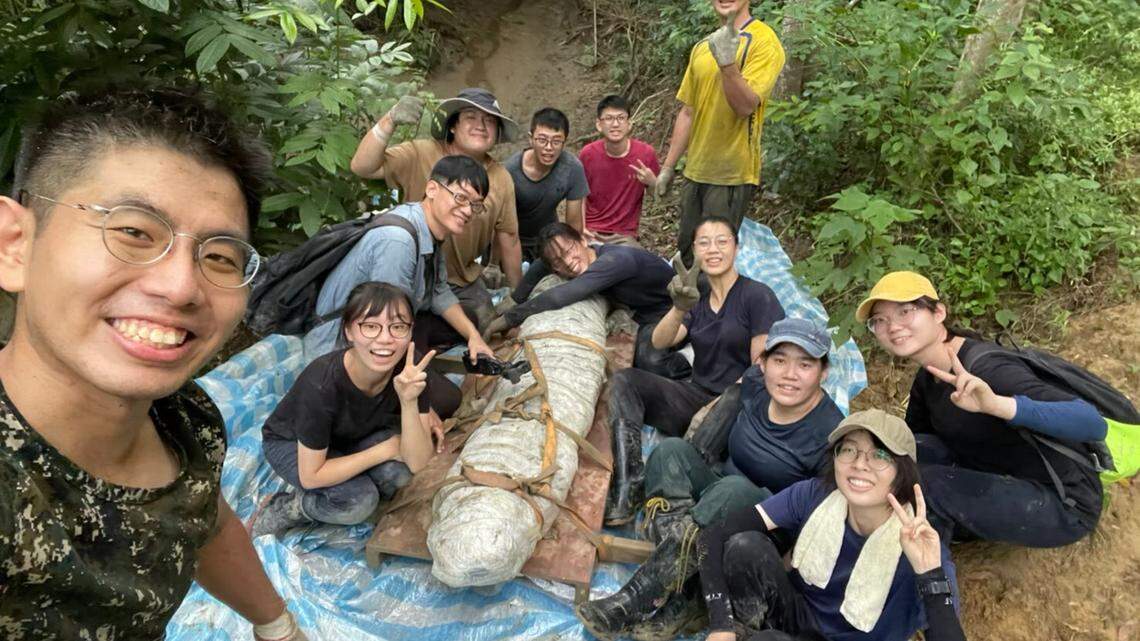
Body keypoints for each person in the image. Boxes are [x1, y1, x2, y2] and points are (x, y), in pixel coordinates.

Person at [0, 89, 310, 640]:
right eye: (134, 232)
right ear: (14, 245)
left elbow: (204, 521)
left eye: (218, 257)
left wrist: (276, 624)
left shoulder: (184, 418)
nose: (181, 287)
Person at [577, 318, 845, 639]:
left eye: (805, 364)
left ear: (823, 372)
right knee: (670, 452)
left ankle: (635, 599)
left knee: (735, 489)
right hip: (718, 497)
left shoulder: (830, 433)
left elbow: (820, 518)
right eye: (779, 360)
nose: (789, 374)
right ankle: (687, 593)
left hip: (762, 531)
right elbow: (717, 421)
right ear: (762, 363)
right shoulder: (755, 386)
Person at [858, 271, 1107, 547]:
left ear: (938, 312)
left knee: (927, 485)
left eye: (905, 311)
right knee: (897, 458)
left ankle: (926, 576)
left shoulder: (989, 369)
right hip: (996, 473)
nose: (892, 326)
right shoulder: (928, 378)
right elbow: (912, 445)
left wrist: (997, 405)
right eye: (880, 321)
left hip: (1062, 503)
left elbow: (1092, 422)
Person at [694, 410, 965, 641]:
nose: (860, 464)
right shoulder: (815, 495)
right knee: (745, 547)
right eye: (848, 450)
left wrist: (930, 575)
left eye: (880, 455)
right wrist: (721, 624)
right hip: (798, 621)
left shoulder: (921, 549)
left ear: (903, 472)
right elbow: (713, 535)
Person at [605, 215, 785, 525]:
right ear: (695, 251)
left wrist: (717, 404)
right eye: (704, 242)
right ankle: (630, 482)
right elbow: (661, 341)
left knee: (737, 393)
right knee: (625, 381)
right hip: (696, 395)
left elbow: (762, 367)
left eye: (722, 241)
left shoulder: (757, 296)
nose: (713, 249)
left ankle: (682, 493)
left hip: (738, 409)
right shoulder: (697, 297)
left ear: (736, 248)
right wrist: (679, 307)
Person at [254, 282, 457, 537]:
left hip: (351, 435)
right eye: (370, 326)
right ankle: (289, 507)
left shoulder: (411, 370)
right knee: (358, 502)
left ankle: (352, 479)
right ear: (349, 331)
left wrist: (408, 401)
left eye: (398, 327)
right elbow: (311, 476)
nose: (385, 339)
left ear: (410, 333)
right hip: (292, 444)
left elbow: (418, 463)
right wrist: (387, 449)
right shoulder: (321, 383)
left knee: (400, 476)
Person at [350, 87, 524, 330]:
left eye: (489, 121)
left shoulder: (501, 178)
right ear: (452, 126)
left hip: (461, 281)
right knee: (393, 319)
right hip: (410, 270)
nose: (481, 126)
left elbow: (509, 238)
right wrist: (389, 120)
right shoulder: (420, 152)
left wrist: (517, 294)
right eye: (471, 117)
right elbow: (363, 167)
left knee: (483, 323)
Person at [304, 155, 496, 366]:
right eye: (460, 198)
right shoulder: (398, 242)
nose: (468, 211)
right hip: (341, 344)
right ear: (432, 189)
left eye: (475, 205)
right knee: (446, 398)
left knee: (469, 321)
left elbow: (439, 293)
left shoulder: (431, 229)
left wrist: (473, 337)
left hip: (389, 320)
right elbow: (386, 322)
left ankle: (421, 350)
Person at [656, 0, 785, 266]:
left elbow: (745, 106)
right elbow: (688, 112)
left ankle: (717, 307)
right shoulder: (703, 46)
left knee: (713, 259)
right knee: (688, 252)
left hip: (730, 174)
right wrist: (668, 167)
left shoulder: (764, 41)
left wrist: (727, 64)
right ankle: (689, 307)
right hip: (695, 171)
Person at [484, 222, 691, 379]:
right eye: (558, 262)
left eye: (569, 250)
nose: (568, 262)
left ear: (583, 240)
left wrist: (508, 320)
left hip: (675, 311)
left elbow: (562, 295)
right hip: (644, 313)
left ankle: (690, 358)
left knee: (650, 363)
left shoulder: (613, 262)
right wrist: (514, 299)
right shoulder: (578, 257)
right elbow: (540, 265)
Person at [504, 108, 590, 260]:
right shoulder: (511, 170)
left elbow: (574, 225)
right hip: (513, 239)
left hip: (549, 240)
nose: (549, 147)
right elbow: (502, 224)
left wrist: (573, 253)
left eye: (556, 141)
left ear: (565, 142)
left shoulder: (572, 168)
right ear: (531, 139)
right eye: (542, 140)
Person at [578, 94, 660, 246]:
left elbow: (660, 198)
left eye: (621, 118)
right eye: (608, 118)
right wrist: (580, 227)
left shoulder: (645, 154)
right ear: (598, 124)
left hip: (624, 236)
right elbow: (579, 196)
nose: (615, 124)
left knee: (629, 262)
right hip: (591, 232)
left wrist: (652, 182)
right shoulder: (587, 154)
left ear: (629, 123)